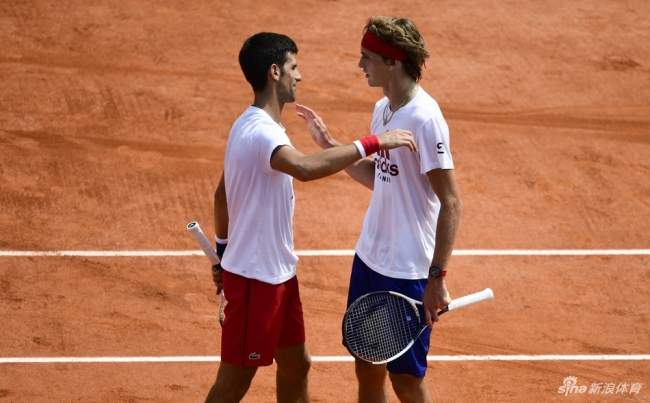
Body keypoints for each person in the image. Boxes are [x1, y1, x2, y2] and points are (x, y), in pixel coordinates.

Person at [206, 32, 416, 403]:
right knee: (234, 382)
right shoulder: (261, 133)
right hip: (256, 278)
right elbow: (304, 168)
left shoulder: (248, 124)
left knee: (296, 364)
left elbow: (221, 195)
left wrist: (223, 251)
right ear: (274, 72)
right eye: (293, 67)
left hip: (279, 274)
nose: (299, 76)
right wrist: (373, 142)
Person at [300, 17, 462, 403]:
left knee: (405, 380)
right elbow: (382, 177)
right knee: (367, 365)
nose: (360, 65)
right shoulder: (383, 110)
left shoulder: (425, 119)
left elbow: (451, 201)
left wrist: (436, 277)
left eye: (367, 57)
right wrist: (330, 145)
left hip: (407, 271)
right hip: (370, 258)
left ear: (392, 62)